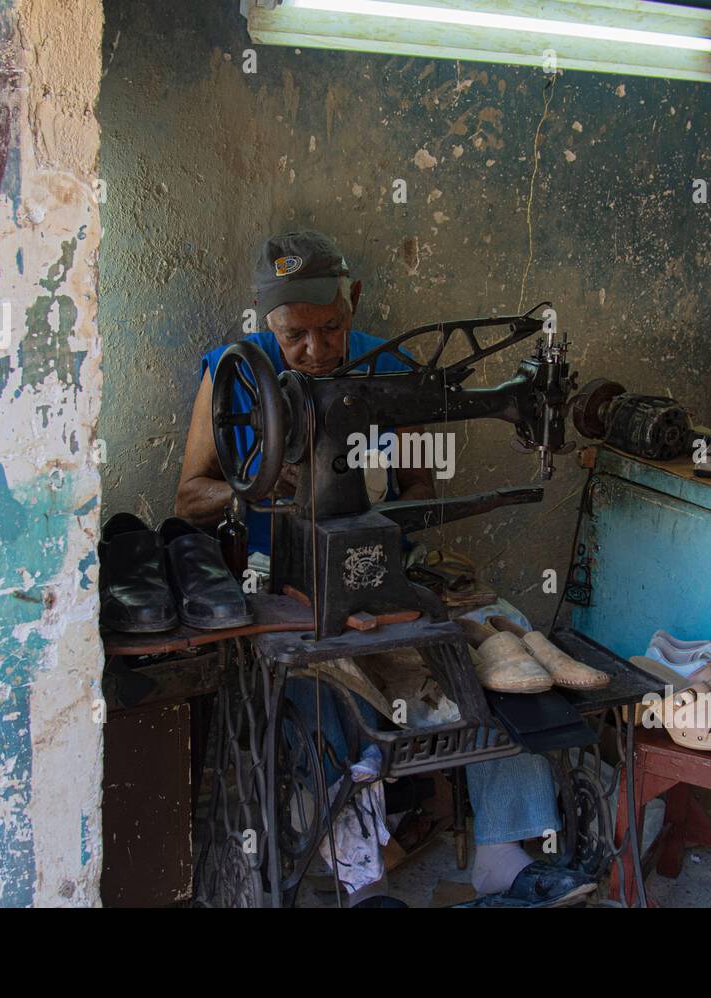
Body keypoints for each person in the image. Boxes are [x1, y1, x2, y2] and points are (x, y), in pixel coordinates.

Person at [176, 229, 592, 907]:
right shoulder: (234, 372)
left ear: (355, 301)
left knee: (499, 662)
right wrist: (261, 490)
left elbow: (418, 490)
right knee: (315, 695)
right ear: (263, 321)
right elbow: (189, 495)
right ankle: (362, 874)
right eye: (294, 335)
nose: (315, 350)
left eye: (332, 327)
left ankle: (503, 857)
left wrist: (379, 524)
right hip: (273, 583)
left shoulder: (394, 371)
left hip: (376, 568)